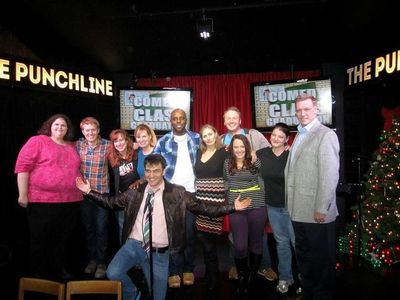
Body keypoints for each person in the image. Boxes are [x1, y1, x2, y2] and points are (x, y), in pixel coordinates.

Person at [75, 154, 251, 300]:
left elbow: (204, 208)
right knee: (113, 272)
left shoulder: (178, 193)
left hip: (159, 252)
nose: (151, 175)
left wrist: (232, 207)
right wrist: (89, 192)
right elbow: (111, 202)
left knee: (158, 296)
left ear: (163, 171)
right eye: (148, 171)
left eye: (156, 171)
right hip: (134, 245)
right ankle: (133, 294)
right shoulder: (135, 191)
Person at [15, 114, 83, 280]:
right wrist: (22, 194)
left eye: (64, 126)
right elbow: (23, 167)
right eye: (56, 125)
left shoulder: (71, 146)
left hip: (70, 201)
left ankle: (59, 269)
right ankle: (38, 273)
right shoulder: (37, 141)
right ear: (49, 126)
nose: (60, 128)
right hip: (42, 201)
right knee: (40, 238)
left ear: (68, 129)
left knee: (62, 239)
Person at [285, 94, 340, 300]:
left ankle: (322, 295)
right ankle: (309, 291)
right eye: (299, 110)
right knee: (305, 256)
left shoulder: (325, 134)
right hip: (298, 209)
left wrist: (322, 207)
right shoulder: (300, 134)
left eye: (306, 109)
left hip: (316, 211)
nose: (302, 113)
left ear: (316, 109)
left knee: (322, 260)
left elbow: (329, 175)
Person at [220, 106, 276, 281]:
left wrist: (256, 155)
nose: (231, 121)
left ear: (240, 120)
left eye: (234, 117)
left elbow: (270, 151)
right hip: (235, 196)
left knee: (258, 236)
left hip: (255, 196)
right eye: (227, 118)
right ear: (223, 121)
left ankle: (264, 266)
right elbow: (224, 174)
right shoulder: (221, 140)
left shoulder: (253, 134)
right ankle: (235, 267)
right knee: (236, 237)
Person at [153, 108, 200, 288]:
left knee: (189, 234)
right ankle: (174, 271)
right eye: (175, 118)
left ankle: (188, 268)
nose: (178, 121)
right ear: (170, 121)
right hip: (171, 194)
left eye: (181, 118)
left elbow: (212, 151)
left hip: (191, 193)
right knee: (172, 235)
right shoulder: (163, 141)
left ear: (186, 120)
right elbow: (154, 165)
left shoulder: (196, 138)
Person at [223, 134, 267, 295]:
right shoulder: (227, 163)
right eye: (236, 147)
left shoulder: (255, 161)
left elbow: (261, 179)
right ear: (232, 149)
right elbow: (226, 182)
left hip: (257, 206)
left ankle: (250, 278)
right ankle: (242, 274)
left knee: (256, 243)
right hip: (237, 208)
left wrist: (257, 197)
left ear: (247, 147)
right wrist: (232, 202)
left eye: (242, 146)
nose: (239, 150)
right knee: (240, 245)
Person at [257, 123, 296, 293]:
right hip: (273, 207)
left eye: (281, 137)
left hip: (292, 208)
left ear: (287, 139)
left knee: (297, 243)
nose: (276, 139)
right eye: (274, 135)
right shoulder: (262, 154)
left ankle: (306, 278)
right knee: (281, 243)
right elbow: (243, 157)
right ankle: (285, 278)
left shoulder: (291, 156)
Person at [194, 124, 228, 295]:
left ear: (216, 134)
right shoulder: (199, 152)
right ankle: (209, 273)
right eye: (204, 135)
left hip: (215, 203)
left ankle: (213, 277)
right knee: (203, 239)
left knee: (210, 242)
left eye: (210, 134)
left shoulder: (224, 152)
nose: (208, 138)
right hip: (200, 202)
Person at [76, 117, 111, 279]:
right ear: (83, 131)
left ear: (98, 130)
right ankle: (92, 260)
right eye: (86, 130)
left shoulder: (107, 145)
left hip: (102, 195)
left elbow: (124, 149)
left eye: (93, 129)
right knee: (89, 229)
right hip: (84, 195)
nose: (90, 133)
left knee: (101, 229)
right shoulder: (78, 145)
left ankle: (102, 262)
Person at [107, 129, 140, 241]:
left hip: (137, 199)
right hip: (121, 200)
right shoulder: (111, 158)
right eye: (116, 141)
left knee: (138, 229)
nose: (119, 143)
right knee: (123, 230)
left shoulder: (136, 154)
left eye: (121, 140)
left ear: (127, 141)